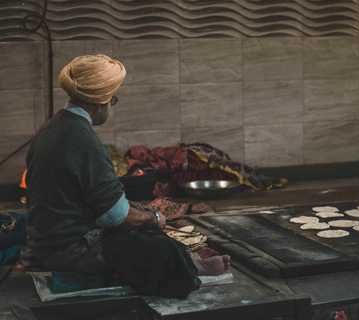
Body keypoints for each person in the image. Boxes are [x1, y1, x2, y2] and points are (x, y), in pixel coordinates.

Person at [25, 54, 230, 298]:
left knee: (142, 230)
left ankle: (189, 261)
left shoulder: (50, 129)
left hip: (42, 240)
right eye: (113, 99)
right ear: (102, 102)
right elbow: (115, 216)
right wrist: (152, 218)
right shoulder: (85, 142)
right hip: (68, 249)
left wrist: (137, 212)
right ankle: (194, 267)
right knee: (159, 247)